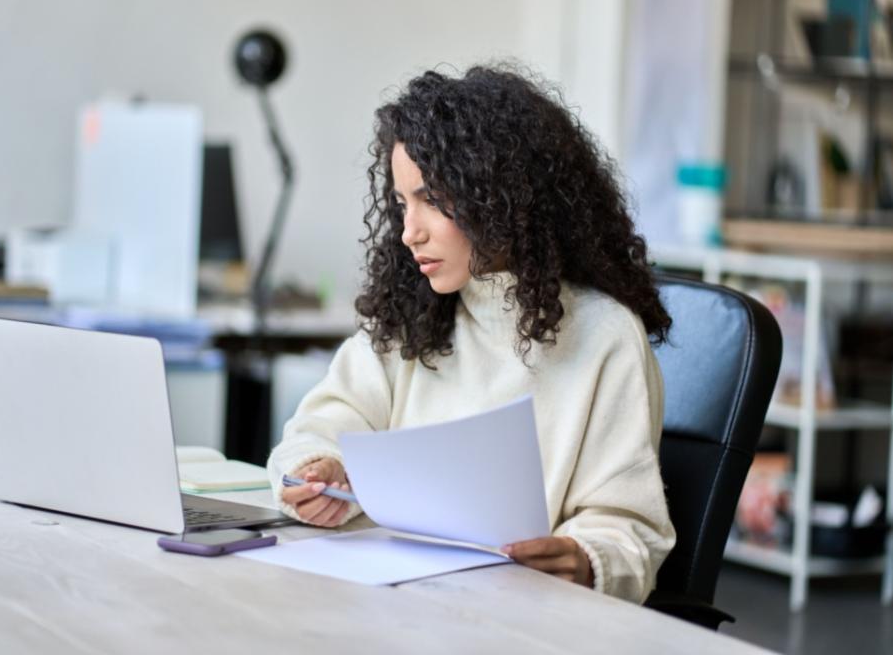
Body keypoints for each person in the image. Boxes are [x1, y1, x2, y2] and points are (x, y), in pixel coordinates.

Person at [267, 64, 676, 603]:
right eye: (401, 203)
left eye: (432, 198)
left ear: (502, 195)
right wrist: (319, 468)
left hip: (521, 620)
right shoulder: (411, 315)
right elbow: (324, 421)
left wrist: (587, 560)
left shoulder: (604, 338)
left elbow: (627, 528)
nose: (410, 231)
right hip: (395, 604)